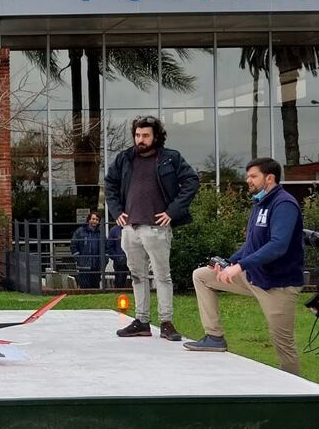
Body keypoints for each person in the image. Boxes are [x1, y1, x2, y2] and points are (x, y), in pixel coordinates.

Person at [184, 158, 304, 376]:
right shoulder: (260, 203)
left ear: (270, 178)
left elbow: (278, 246)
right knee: (202, 276)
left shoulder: (284, 204)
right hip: (254, 277)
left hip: (278, 285)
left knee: (284, 345)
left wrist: (239, 267)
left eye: (253, 176)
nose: (248, 180)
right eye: (247, 175)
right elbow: (251, 245)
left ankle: (296, 395)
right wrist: (229, 262)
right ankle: (214, 337)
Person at [105, 115, 199, 341]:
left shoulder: (170, 158)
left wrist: (173, 212)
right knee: (137, 275)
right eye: (137, 135)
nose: (141, 139)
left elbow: (191, 181)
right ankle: (142, 321)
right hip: (130, 227)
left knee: (162, 276)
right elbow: (110, 183)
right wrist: (117, 212)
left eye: (145, 135)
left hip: (157, 228)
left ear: (156, 136)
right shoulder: (125, 158)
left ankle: (166, 323)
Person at [70, 212, 103, 289]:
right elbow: (73, 245)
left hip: (96, 266)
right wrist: (78, 258)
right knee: (85, 287)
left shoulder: (101, 233)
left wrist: (105, 260)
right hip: (84, 266)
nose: (95, 221)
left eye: (97, 219)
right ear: (89, 219)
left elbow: (106, 247)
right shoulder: (80, 231)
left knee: (95, 288)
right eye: (93, 219)